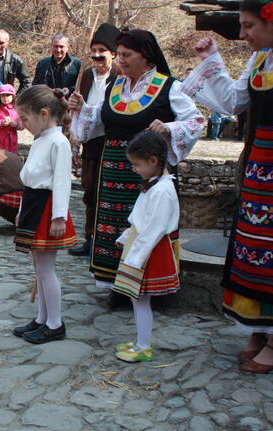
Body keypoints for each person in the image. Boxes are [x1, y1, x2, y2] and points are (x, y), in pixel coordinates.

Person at [69, 29, 204, 308]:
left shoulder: (169, 87)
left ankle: (152, 289)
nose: (122, 60)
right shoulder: (115, 85)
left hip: (149, 175)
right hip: (112, 171)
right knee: (114, 229)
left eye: (127, 55)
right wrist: (82, 108)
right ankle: (118, 286)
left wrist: (169, 127)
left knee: (146, 228)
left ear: (146, 56)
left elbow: (195, 121)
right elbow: (100, 120)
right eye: (119, 55)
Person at [182, 0, 273, 373]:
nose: (243, 34)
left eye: (249, 25)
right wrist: (213, 61)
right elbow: (234, 101)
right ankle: (257, 328)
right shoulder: (260, 61)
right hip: (258, 167)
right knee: (252, 247)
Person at [12, 85, 77, 344]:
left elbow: (62, 180)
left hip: (48, 209)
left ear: (42, 113)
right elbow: (29, 179)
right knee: (39, 269)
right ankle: (41, 319)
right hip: (33, 205)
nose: (23, 124)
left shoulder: (59, 142)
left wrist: (59, 216)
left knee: (47, 270)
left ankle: (55, 323)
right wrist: (20, 210)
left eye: (25, 119)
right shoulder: (42, 140)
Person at [112, 131, 180, 363]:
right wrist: (127, 235)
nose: (135, 169)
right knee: (136, 298)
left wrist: (135, 258)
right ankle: (141, 341)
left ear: (153, 161)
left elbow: (153, 229)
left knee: (140, 298)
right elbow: (142, 218)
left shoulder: (162, 191)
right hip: (141, 245)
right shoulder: (154, 185)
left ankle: (144, 346)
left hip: (148, 251)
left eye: (137, 164)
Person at [68, 23, 120, 257]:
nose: (97, 57)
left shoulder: (119, 77)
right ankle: (89, 238)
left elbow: (110, 110)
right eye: (94, 51)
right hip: (90, 143)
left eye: (102, 52)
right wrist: (75, 145)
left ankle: (106, 240)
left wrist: (86, 108)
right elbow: (78, 113)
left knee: (106, 193)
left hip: (110, 143)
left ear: (113, 53)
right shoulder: (87, 76)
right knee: (89, 191)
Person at [0, 84, 22, 154]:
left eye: (8, 95)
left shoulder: (17, 110)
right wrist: (0, 123)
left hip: (12, 142)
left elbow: (22, 124)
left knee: (11, 160)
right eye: (3, 96)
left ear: (13, 96)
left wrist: (16, 125)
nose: (5, 98)